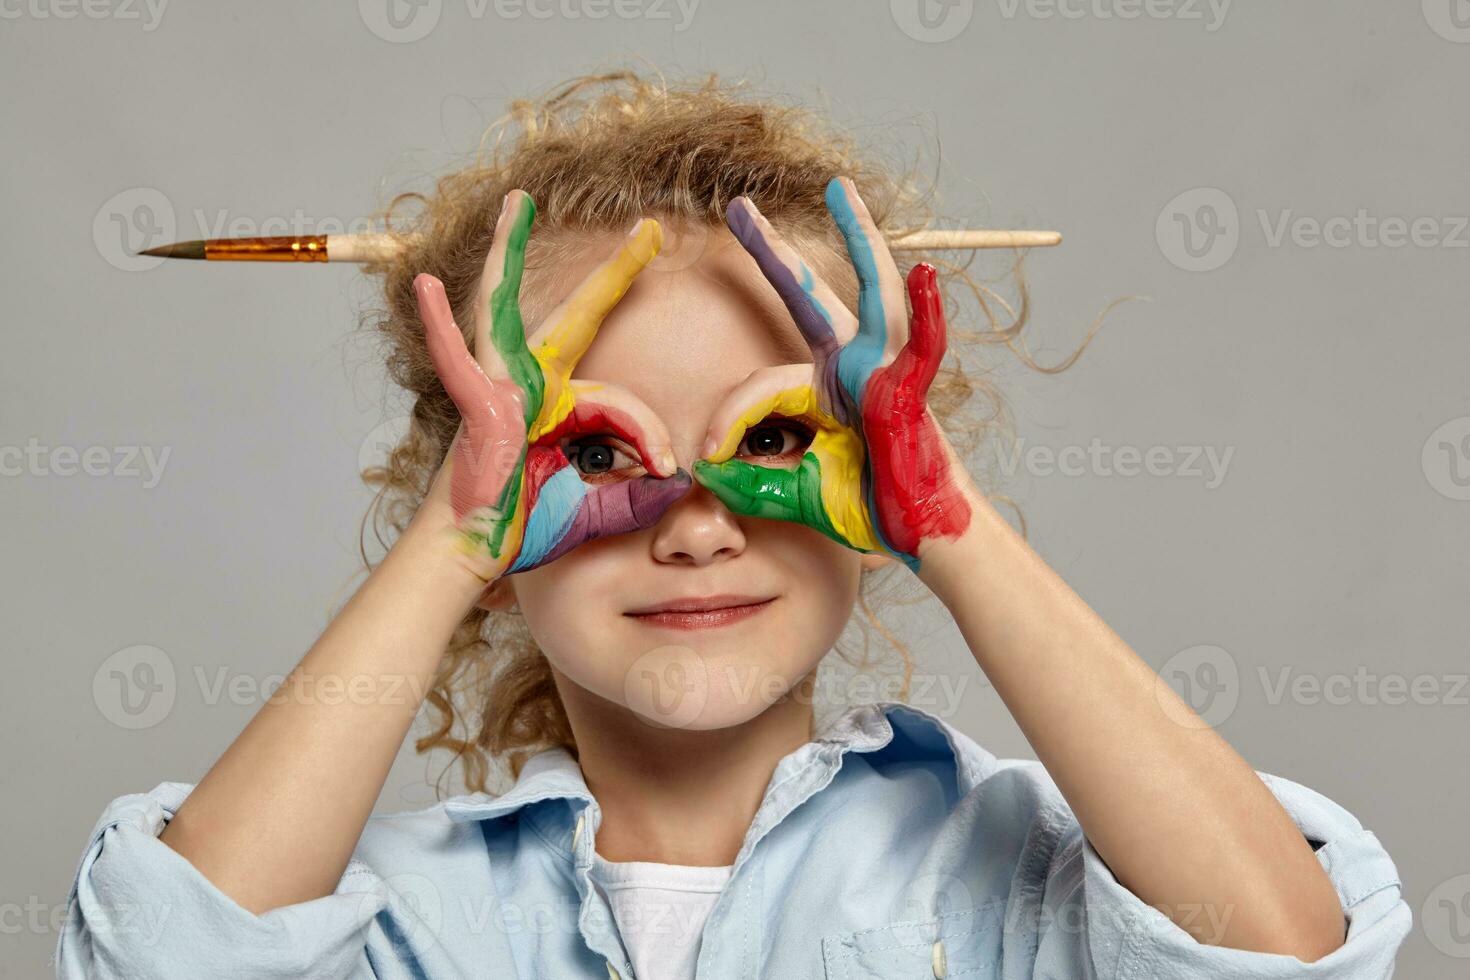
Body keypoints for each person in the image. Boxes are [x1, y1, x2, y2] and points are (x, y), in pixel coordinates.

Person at [55, 71, 1411, 979]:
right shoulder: (385, 917)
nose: (697, 525)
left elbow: (1286, 951)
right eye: (592, 447)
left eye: (772, 442)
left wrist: (948, 522)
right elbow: (168, 960)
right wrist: (447, 545)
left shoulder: (1011, 875)